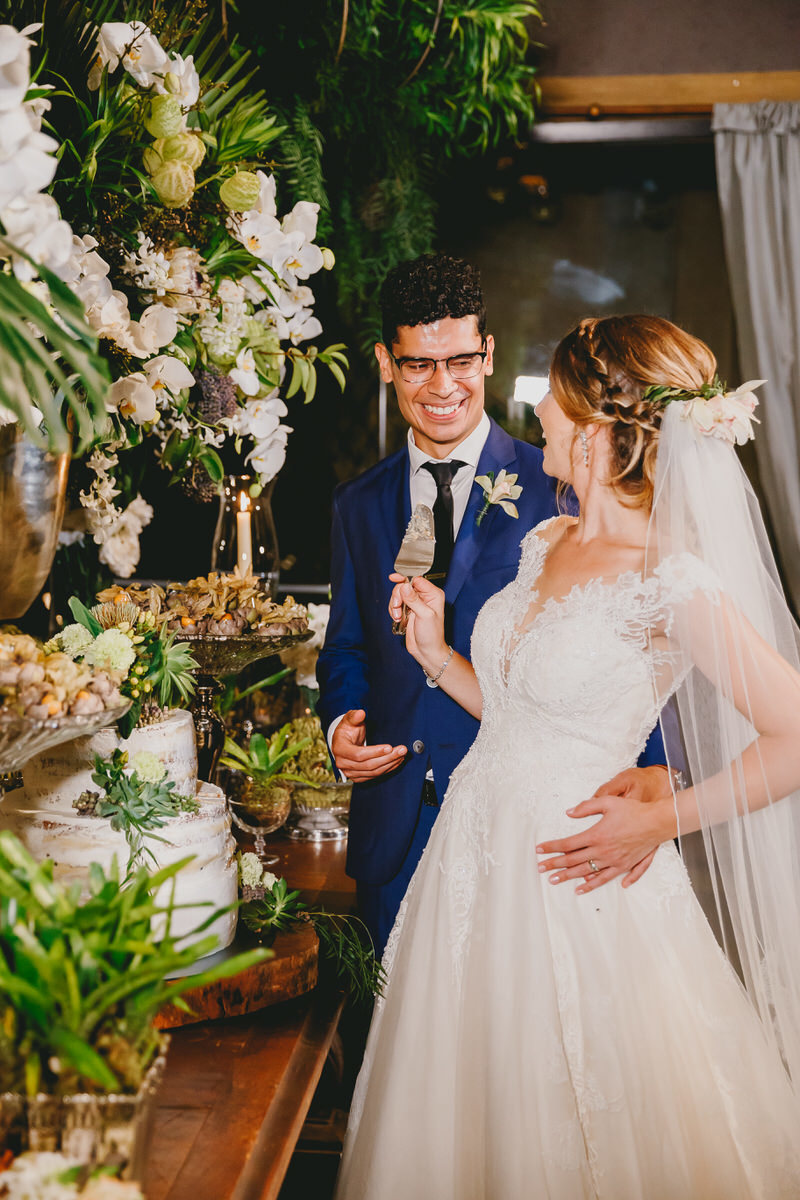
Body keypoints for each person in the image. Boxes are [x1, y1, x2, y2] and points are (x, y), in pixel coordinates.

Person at [334, 315, 800, 1199]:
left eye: (552, 394)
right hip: (469, 866)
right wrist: (438, 658)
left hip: (573, 882)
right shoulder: (551, 539)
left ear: (594, 427)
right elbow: (517, 715)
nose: (537, 408)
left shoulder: (672, 577)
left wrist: (666, 815)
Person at [316, 255, 673, 956]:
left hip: (530, 835)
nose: (442, 386)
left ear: (487, 353)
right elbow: (347, 648)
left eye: (459, 361)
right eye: (418, 365)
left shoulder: (563, 488)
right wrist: (338, 729)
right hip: (394, 834)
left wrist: (660, 773)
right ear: (387, 363)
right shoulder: (356, 505)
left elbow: (633, 642)